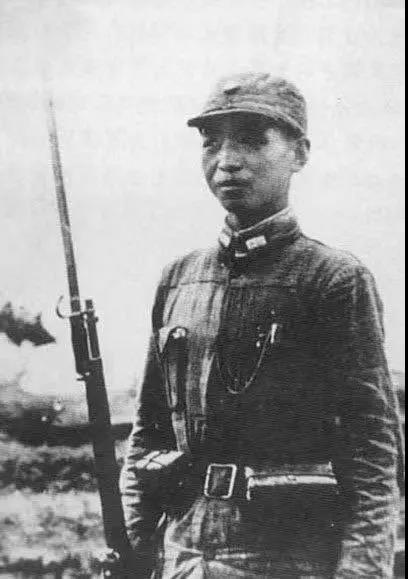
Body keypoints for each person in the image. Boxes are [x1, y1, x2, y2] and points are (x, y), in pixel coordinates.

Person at [120, 73, 403, 578]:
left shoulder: (333, 279)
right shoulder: (179, 279)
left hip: (290, 557)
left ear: (300, 152)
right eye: (211, 142)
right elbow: (150, 431)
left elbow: (372, 452)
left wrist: (361, 570)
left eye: (251, 139)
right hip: (185, 556)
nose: (227, 160)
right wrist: (132, 551)